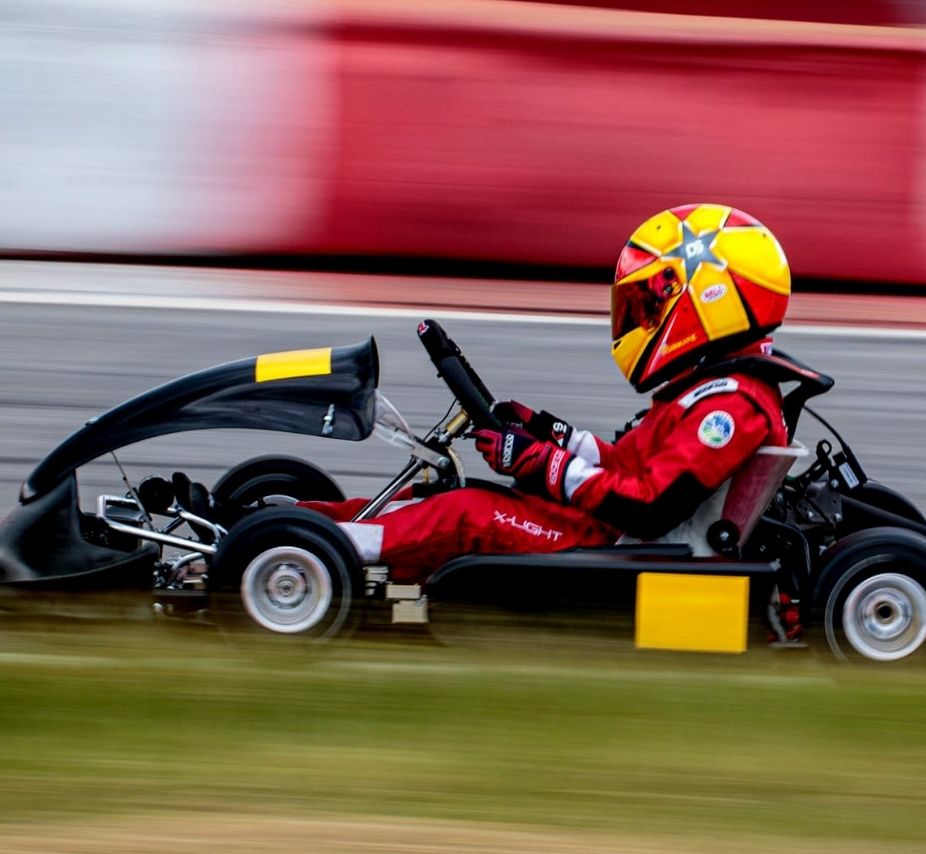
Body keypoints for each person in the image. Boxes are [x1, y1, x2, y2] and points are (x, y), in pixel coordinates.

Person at [299, 203, 792, 583]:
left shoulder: (731, 407)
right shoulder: (713, 389)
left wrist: (543, 463)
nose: (640, 319)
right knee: (438, 497)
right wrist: (549, 433)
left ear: (709, 302)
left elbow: (649, 507)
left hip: (631, 549)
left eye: (650, 306)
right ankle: (300, 520)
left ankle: (307, 553)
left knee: (465, 512)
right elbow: (628, 466)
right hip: (614, 531)